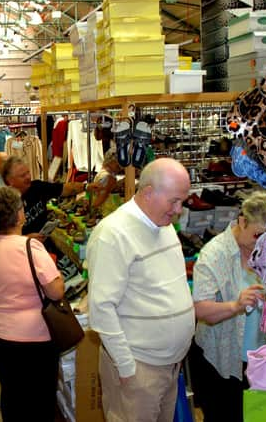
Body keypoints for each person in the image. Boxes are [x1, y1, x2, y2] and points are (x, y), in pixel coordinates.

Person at [87, 157, 196, 422]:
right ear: (148, 192)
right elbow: (101, 309)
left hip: (168, 366)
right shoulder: (113, 234)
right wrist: (127, 368)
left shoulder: (164, 226)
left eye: (182, 201)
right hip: (138, 369)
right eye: (174, 201)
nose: (179, 210)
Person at [190, 191, 266, 422]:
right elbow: (200, 309)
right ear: (242, 221)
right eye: (257, 236)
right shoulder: (215, 254)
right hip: (221, 361)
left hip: (260, 359)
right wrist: (235, 305)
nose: (263, 245)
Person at [0, 186, 64, 422]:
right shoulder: (31, 247)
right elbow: (55, 291)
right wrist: (60, 277)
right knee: (39, 398)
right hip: (32, 337)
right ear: (18, 215)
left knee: (12, 392)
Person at [2, 155, 85, 238]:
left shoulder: (37, 187)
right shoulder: (5, 204)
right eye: (22, 176)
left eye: (28, 172)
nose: (28, 177)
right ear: (10, 181)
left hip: (43, 243)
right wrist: (28, 238)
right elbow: (5, 240)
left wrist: (86, 187)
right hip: (23, 248)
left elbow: (65, 189)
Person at [86, 148, 123, 213]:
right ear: (111, 162)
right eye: (117, 165)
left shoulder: (101, 173)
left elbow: (90, 193)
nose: (120, 167)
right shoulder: (108, 177)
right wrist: (92, 208)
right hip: (106, 212)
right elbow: (100, 199)